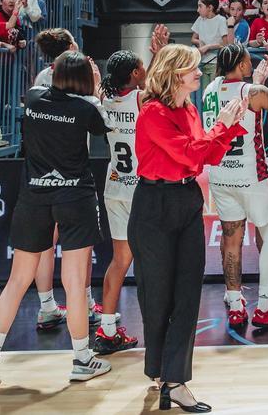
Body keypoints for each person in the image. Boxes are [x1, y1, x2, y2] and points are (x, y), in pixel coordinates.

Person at [0, 52, 111, 388]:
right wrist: (95, 86)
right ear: (85, 79)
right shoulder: (86, 108)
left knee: (17, 280)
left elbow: (46, 79)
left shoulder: (34, 98)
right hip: (75, 196)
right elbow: (101, 121)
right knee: (76, 284)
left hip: (34, 196)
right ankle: (81, 359)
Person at [131, 44, 247, 413]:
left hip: (186, 201)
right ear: (174, 73)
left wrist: (225, 131)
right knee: (157, 296)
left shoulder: (190, 108)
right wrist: (222, 126)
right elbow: (190, 152)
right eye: (194, 69)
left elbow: (206, 157)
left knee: (186, 296)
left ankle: (175, 380)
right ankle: (161, 372)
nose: (200, 74)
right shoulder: (152, 112)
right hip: (153, 205)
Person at [202, 43, 268, 330]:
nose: (252, 65)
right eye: (248, 61)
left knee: (231, 239)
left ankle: (236, 304)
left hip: (219, 175)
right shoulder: (256, 93)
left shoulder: (208, 91)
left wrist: (255, 85)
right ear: (241, 66)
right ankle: (266, 305)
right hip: (251, 175)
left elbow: (236, 94)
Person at [91, 47, 152, 356]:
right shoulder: (141, 99)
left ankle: (107, 329)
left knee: (119, 261)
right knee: (149, 263)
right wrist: (158, 54)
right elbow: (158, 86)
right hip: (141, 189)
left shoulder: (105, 100)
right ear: (134, 74)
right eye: (141, 67)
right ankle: (156, 329)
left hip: (114, 185)